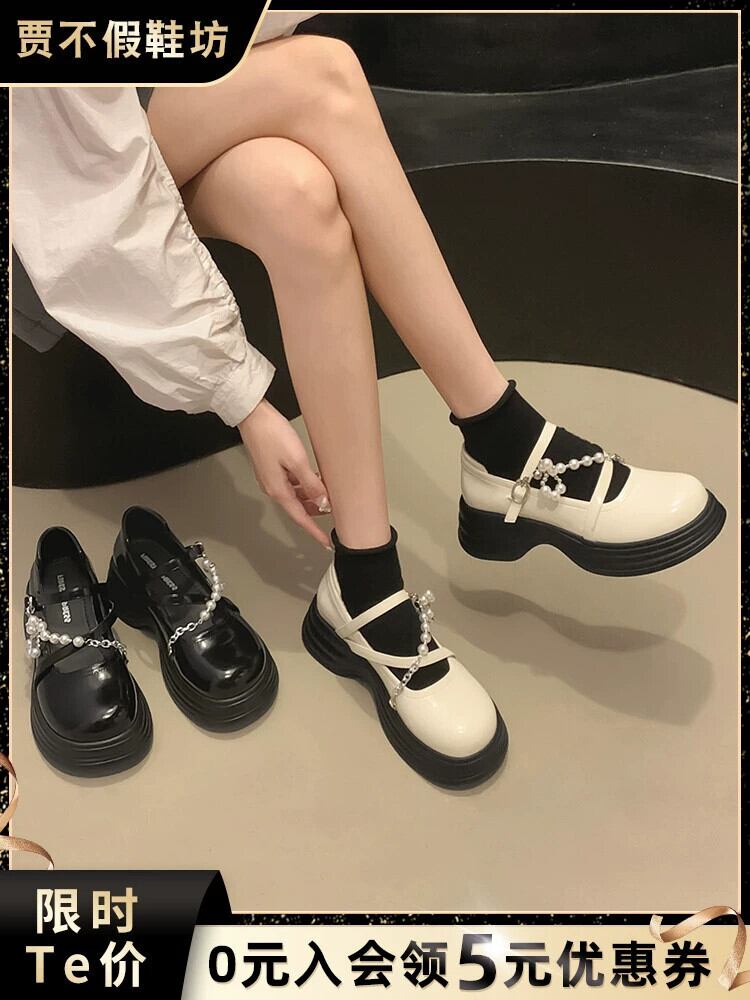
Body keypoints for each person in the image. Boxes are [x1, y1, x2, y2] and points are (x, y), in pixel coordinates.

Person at [12, 27, 724, 787]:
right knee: (325, 74)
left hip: (125, 109)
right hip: (49, 171)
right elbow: (64, 170)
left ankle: (364, 585)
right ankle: (503, 442)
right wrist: (239, 394)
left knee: (297, 195)